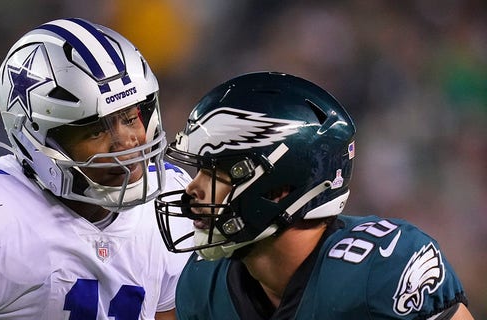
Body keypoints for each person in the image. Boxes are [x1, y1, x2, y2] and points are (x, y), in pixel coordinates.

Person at [0, 18, 192, 320]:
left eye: (131, 118)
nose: (127, 143)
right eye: (95, 131)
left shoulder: (170, 202)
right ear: (37, 138)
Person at [154, 72, 474, 319]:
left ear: (280, 189)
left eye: (215, 172)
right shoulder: (204, 283)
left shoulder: (381, 270)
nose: (192, 188)